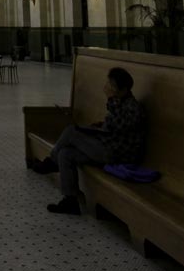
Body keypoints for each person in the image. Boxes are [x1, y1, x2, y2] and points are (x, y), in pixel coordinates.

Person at [28, 66, 148, 215]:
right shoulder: (120, 102)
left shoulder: (133, 108)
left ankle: (51, 163)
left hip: (115, 155)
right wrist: (96, 127)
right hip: (107, 147)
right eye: (108, 83)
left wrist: (110, 101)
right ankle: (70, 201)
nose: (107, 87)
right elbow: (110, 128)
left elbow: (116, 127)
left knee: (71, 132)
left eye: (112, 85)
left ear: (123, 90)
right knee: (65, 154)